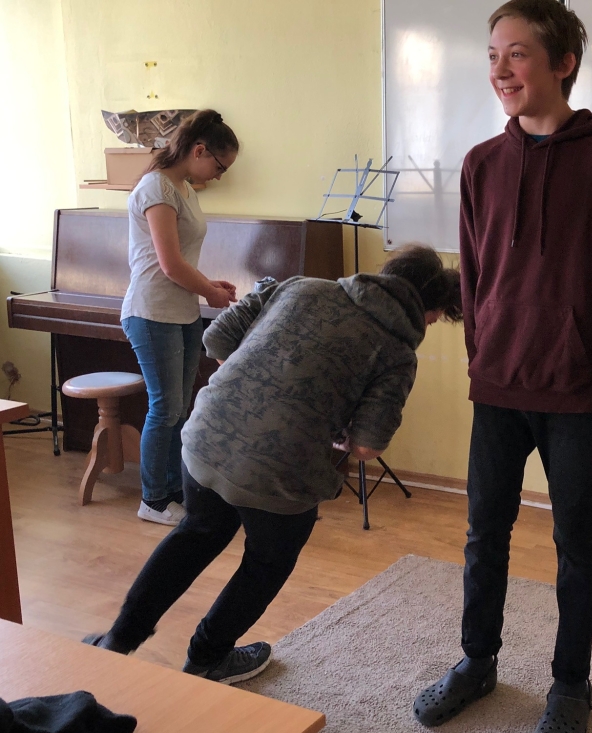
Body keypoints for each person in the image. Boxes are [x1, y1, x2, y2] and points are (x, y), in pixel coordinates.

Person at [412, 1, 592, 733]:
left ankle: (571, 683)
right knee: (485, 533)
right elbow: (475, 275)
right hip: (499, 388)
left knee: (577, 544)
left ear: (563, 62)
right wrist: (480, 358)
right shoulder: (482, 163)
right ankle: (477, 662)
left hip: (578, 394)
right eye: (493, 55)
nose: (500, 70)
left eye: (517, 54)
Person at [86, 245, 462, 684]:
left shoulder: (301, 286)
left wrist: (257, 388)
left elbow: (216, 340)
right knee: (267, 562)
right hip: (280, 471)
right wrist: (331, 431)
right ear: (428, 308)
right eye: (435, 318)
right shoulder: (396, 351)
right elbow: (367, 446)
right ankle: (208, 658)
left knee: (196, 534)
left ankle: (118, 639)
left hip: (207, 436)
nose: (430, 326)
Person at [121, 109, 239, 526]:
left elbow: (181, 258)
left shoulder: (183, 188)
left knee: (179, 409)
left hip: (182, 310)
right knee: (165, 408)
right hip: (152, 311)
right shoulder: (156, 187)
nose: (220, 176)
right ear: (199, 150)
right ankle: (152, 499)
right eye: (220, 166)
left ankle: (174, 490)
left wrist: (208, 284)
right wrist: (208, 291)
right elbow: (168, 265)